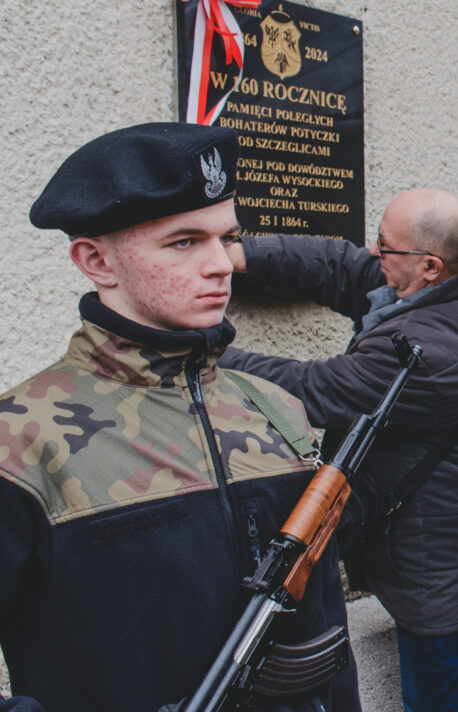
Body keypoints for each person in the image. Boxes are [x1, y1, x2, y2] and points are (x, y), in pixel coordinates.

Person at [0, 123, 359, 711]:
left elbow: (322, 624)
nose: (222, 265)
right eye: (185, 241)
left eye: (227, 238)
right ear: (96, 260)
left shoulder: (275, 410)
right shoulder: (20, 443)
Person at [218, 189, 458, 712]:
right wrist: (240, 255)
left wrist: (204, 351)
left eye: (386, 247)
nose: (374, 254)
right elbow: (341, 267)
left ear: (429, 265)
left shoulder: (432, 353)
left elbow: (310, 388)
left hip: (442, 558)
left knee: (449, 696)